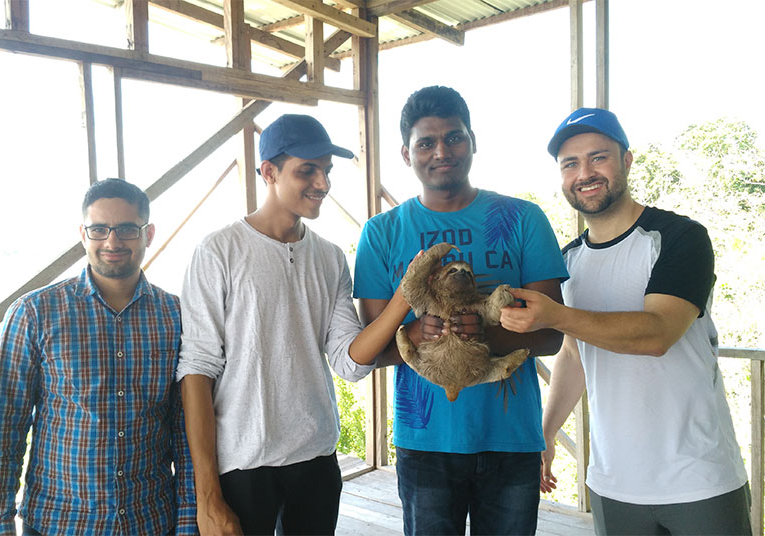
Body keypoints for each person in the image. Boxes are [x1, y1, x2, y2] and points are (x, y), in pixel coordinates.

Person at [499, 107, 752, 535]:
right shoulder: (567, 260)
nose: (585, 173)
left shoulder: (679, 237)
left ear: (626, 160)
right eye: (570, 164)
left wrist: (557, 315)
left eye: (598, 157)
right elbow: (575, 354)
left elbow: (657, 333)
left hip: (700, 480)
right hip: (613, 484)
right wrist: (545, 434)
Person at [176, 113, 412, 536]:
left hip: (317, 459)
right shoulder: (219, 251)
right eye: (307, 170)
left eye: (326, 171)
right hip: (243, 464)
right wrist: (206, 495)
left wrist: (404, 298)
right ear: (269, 172)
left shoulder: (330, 256)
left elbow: (349, 363)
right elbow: (197, 370)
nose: (322, 183)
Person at [352, 85, 569, 535]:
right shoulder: (381, 232)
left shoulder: (523, 219)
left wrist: (485, 332)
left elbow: (551, 336)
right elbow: (373, 347)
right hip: (426, 443)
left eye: (454, 137)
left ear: (473, 141)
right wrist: (416, 334)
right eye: (426, 142)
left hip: (512, 440)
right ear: (405, 153)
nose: (441, 151)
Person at [0, 178, 196, 535]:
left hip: (152, 521)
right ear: (82, 233)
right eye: (99, 229)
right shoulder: (35, 313)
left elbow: (186, 432)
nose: (112, 241)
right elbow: (4, 426)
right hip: (59, 522)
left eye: (126, 229)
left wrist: (188, 520)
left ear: (148, 233)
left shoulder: (176, 316)